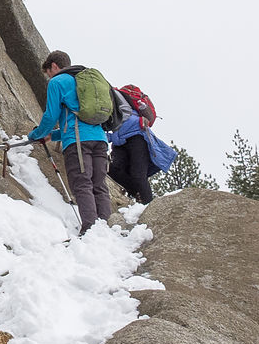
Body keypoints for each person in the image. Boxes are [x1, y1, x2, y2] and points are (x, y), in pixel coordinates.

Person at [28, 50, 114, 234]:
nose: (49, 77)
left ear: (53, 66)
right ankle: (105, 229)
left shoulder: (57, 82)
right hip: (99, 138)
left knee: (82, 183)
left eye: (48, 72)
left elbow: (51, 116)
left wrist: (37, 134)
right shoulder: (84, 81)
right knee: (99, 184)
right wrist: (53, 136)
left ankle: (90, 229)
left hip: (77, 142)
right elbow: (77, 119)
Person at [107, 91, 177, 206]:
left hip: (137, 136)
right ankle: (138, 194)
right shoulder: (112, 97)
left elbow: (122, 122)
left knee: (138, 174)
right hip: (121, 141)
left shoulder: (111, 97)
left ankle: (148, 208)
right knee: (113, 170)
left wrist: (106, 137)